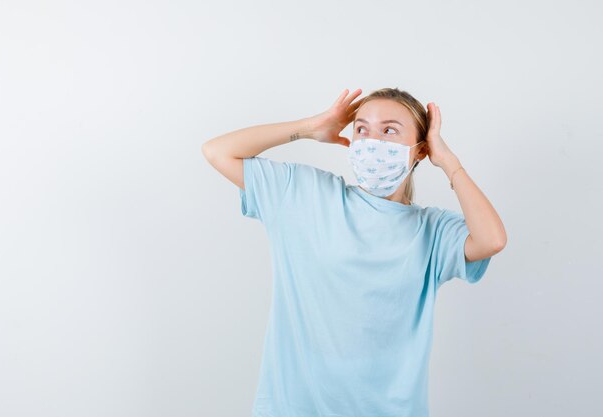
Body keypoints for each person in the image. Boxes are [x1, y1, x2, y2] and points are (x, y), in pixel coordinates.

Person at [201, 87, 507, 417]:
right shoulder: (305, 195)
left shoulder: (432, 231)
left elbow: (491, 239)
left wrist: (449, 162)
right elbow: (218, 151)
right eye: (362, 129)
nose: (372, 141)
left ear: (419, 151)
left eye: (389, 130)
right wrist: (309, 128)